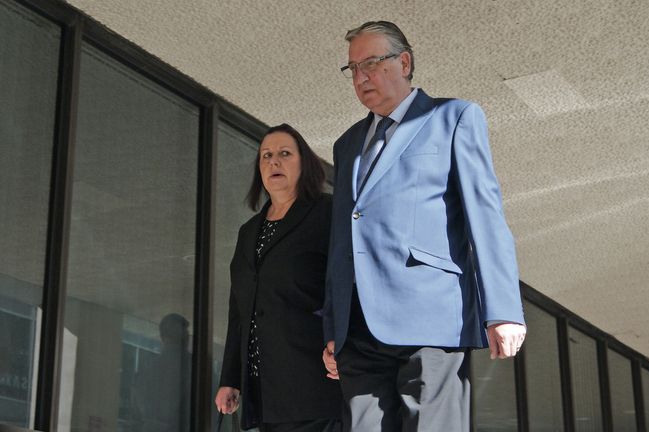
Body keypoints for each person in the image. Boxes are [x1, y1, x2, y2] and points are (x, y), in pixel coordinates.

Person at [321, 21, 527, 431]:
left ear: (405, 62)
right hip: (358, 326)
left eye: (372, 63)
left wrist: (502, 310)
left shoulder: (452, 117)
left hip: (430, 316)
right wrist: (333, 325)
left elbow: (484, 215)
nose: (362, 77)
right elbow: (342, 239)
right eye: (353, 69)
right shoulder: (346, 144)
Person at [216, 124, 342, 432]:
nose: (274, 161)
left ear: (304, 163)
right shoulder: (248, 232)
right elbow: (239, 309)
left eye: (285, 153)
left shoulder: (327, 212)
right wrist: (230, 379)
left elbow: (346, 284)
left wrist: (345, 340)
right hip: (266, 393)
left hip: (315, 383)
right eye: (266, 155)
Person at [131, 313, 191, 432]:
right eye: (185, 333)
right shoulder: (195, 368)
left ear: (163, 337)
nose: (187, 337)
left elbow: (136, 412)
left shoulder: (146, 370)